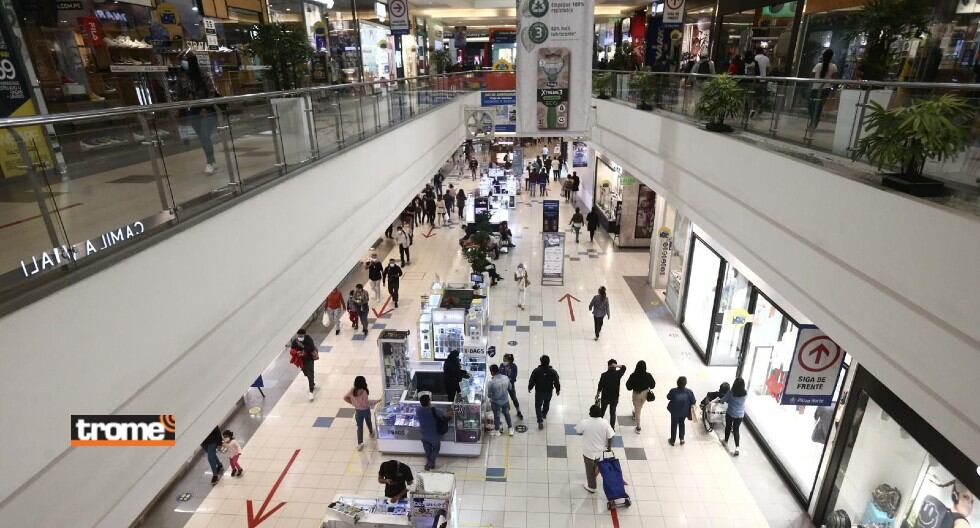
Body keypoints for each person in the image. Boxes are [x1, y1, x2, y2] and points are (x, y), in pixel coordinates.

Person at [176, 52, 219, 175]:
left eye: (186, 60)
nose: (184, 63)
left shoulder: (202, 75)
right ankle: (212, 160)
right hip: (192, 110)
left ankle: (210, 162)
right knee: (202, 138)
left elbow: (211, 92)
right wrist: (179, 109)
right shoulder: (182, 77)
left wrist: (206, 106)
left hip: (207, 110)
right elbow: (180, 94)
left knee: (205, 136)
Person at [574, 405, 615, 494]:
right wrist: (609, 447)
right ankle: (594, 476)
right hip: (600, 451)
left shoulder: (585, 422)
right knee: (597, 465)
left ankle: (592, 487)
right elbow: (610, 435)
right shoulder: (605, 422)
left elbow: (578, 432)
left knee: (589, 469)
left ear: (590, 413)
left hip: (588, 451)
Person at [415, 394, 451, 470]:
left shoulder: (418, 410)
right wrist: (452, 412)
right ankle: (430, 463)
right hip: (434, 435)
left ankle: (430, 463)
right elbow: (445, 415)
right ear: (429, 401)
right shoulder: (433, 410)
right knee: (436, 449)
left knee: (427, 450)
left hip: (423, 434)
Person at [527, 354, 561, 429]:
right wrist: (557, 390)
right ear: (549, 362)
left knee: (538, 406)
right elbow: (556, 381)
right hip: (549, 392)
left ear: (541, 362)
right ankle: (544, 414)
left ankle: (540, 421)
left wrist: (530, 387)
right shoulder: (553, 371)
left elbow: (532, 380)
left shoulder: (536, 371)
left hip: (539, 392)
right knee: (547, 403)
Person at [808, 48, 837, 129]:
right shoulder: (834, 66)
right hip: (826, 89)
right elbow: (834, 79)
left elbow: (811, 75)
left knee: (811, 105)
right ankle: (815, 120)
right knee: (818, 106)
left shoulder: (818, 65)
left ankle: (814, 121)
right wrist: (834, 89)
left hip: (816, 88)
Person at [718, 377, 747, 456]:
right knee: (736, 430)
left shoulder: (731, 392)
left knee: (728, 427)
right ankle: (737, 447)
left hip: (730, 413)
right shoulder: (745, 393)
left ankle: (726, 441)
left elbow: (723, 399)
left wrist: (720, 401)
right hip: (740, 415)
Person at [344, 376, 375, 449]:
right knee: (368, 421)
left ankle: (360, 443)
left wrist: (352, 403)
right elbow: (366, 404)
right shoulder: (364, 392)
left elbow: (345, 397)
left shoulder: (352, 390)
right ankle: (371, 432)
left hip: (358, 411)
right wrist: (376, 401)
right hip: (366, 410)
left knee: (359, 427)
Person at [625, 361, 656, 433]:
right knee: (639, 406)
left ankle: (638, 427)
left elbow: (628, 387)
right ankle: (634, 411)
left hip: (636, 394)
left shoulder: (633, 375)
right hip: (645, 394)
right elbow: (653, 385)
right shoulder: (648, 375)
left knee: (638, 411)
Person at [596, 359, 628, 429]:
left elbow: (600, 386)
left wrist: (597, 394)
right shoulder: (618, 374)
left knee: (602, 411)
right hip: (614, 398)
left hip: (605, 397)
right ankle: (612, 428)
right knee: (612, 413)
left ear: (608, 366)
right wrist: (616, 365)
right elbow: (624, 367)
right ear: (615, 367)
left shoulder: (604, 375)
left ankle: (598, 425)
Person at [666, 376, 696, 446]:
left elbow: (668, 397)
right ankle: (682, 439)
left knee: (674, 425)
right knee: (682, 423)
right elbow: (693, 401)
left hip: (674, 412)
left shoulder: (673, 391)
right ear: (685, 383)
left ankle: (672, 440)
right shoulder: (689, 392)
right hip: (684, 412)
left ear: (677, 383)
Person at [487, 364, 515, 436]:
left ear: (492, 372)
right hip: (505, 400)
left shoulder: (491, 382)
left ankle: (497, 431)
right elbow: (510, 388)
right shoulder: (506, 378)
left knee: (497, 416)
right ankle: (510, 429)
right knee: (507, 414)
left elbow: (489, 395)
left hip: (495, 402)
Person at [291, 329, 319, 400]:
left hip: (309, 359)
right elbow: (292, 349)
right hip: (301, 360)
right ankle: (312, 382)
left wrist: (303, 346)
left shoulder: (308, 339)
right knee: (306, 373)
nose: (300, 337)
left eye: (301, 336)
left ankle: (311, 391)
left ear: (305, 334)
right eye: (299, 335)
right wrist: (297, 352)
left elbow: (312, 348)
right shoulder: (295, 341)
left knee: (310, 374)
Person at [499, 353, 524, 420]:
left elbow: (513, 377)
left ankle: (518, 411)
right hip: (502, 385)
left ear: (509, 361)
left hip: (510, 385)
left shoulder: (514, 367)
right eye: (503, 360)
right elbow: (499, 374)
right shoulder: (501, 365)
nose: (503, 361)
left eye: (505, 360)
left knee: (514, 398)